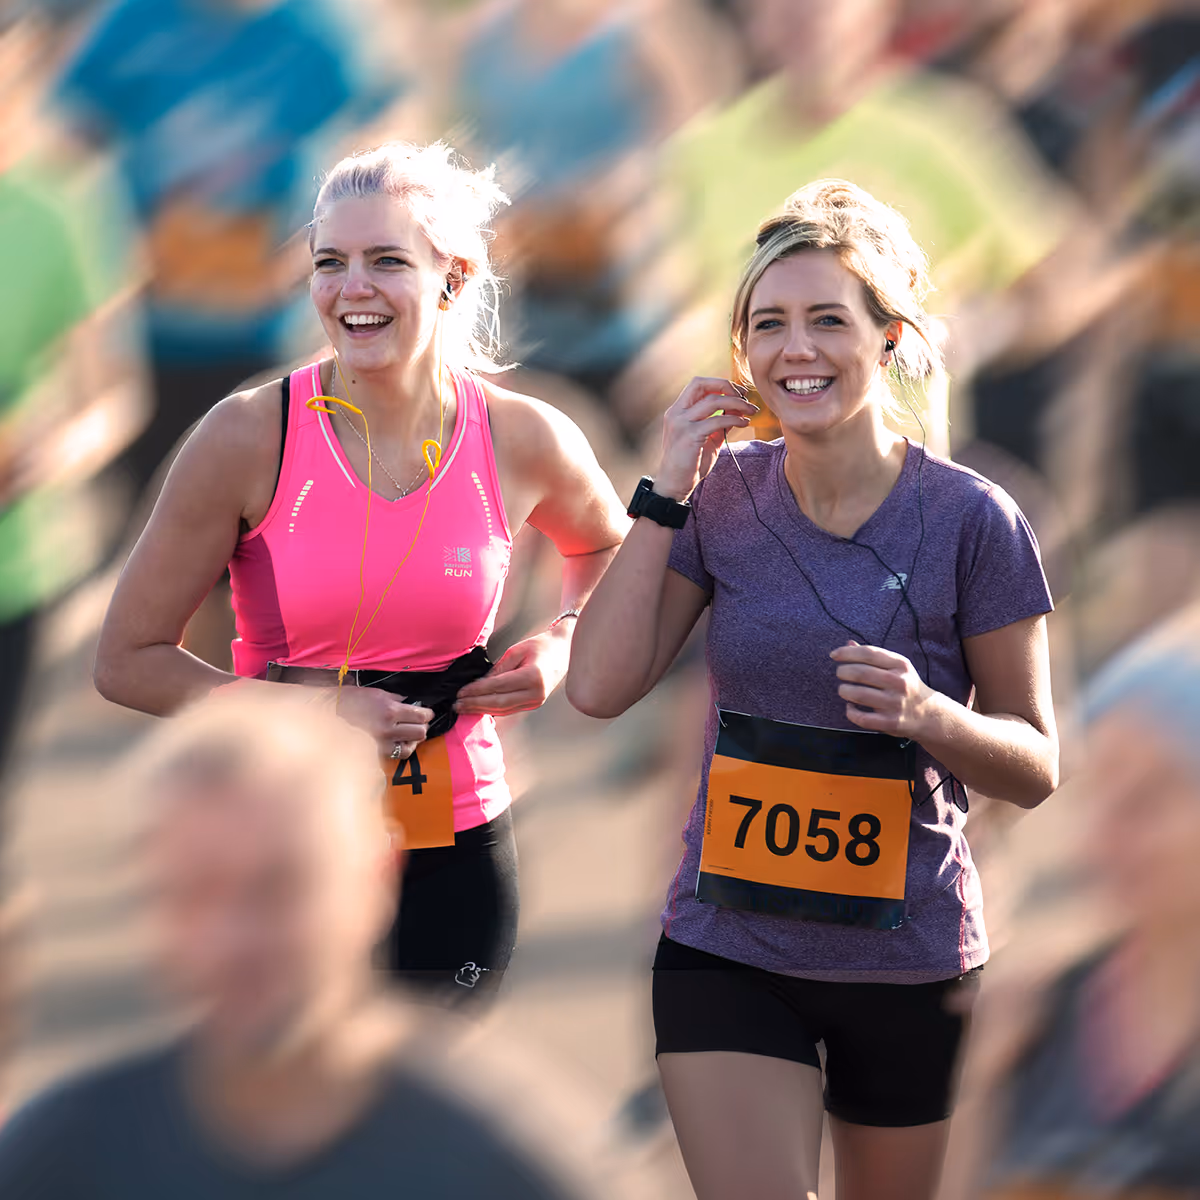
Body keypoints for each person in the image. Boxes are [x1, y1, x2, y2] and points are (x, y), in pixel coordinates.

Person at [567, 179, 1060, 1200]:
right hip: (726, 946)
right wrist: (665, 487)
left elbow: (1036, 763)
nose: (797, 348)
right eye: (768, 324)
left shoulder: (975, 521)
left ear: (889, 337)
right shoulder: (721, 498)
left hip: (910, 960)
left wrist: (931, 715)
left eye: (828, 319)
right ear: (741, 350)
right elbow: (599, 687)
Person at [94, 141, 628, 1005]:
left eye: (387, 261)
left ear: (452, 277)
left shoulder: (524, 436)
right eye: (329, 263)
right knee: (292, 1083)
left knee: (421, 1086)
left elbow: (610, 550)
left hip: (454, 844)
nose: (353, 288)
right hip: (282, 840)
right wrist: (318, 714)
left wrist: (563, 641)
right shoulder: (247, 435)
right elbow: (127, 660)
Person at [0, 687, 612, 1197]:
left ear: (374, 878)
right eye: (197, 893)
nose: (234, 937)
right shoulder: (59, 1158)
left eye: (278, 887)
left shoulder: (509, 1162)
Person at [947, 604, 1200, 1198]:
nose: (1108, 832)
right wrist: (971, 1089)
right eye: (1102, 793)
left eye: (1151, 796)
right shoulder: (1028, 1024)